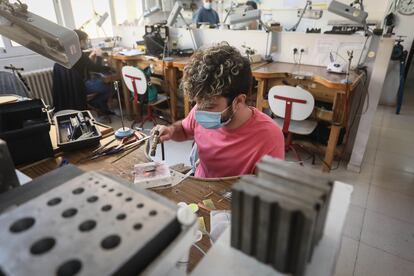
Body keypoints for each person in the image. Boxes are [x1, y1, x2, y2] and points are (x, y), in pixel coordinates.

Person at [152, 44, 284, 178]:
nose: (199, 110)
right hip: (201, 186)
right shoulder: (201, 108)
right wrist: (171, 131)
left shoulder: (269, 138)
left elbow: (265, 193)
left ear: (238, 101)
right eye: (197, 102)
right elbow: (185, 130)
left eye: (209, 106)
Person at [73, 29, 114, 114]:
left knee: (104, 82)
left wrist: (91, 58)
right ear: (80, 41)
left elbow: (87, 66)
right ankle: (96, 102)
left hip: (76, 85)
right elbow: (96, 68)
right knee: (111, 87)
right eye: (85, 40)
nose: (86, 42)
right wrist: (99, 57)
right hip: (83, 85)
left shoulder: (73, 53)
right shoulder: (80, 55)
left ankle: (98, 103)